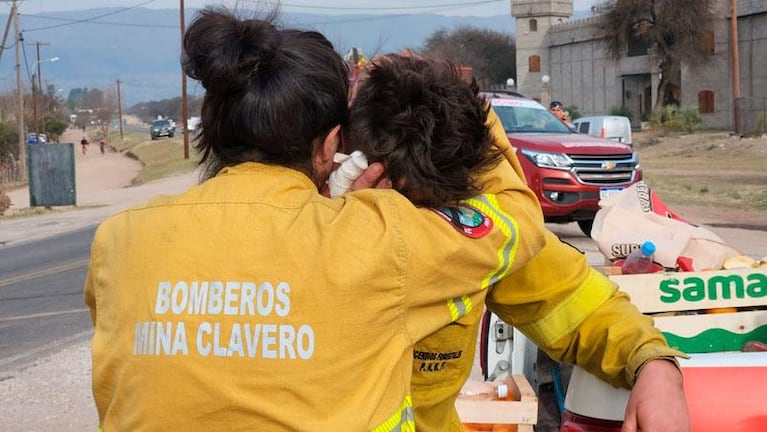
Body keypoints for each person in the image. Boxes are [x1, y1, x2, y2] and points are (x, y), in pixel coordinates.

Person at [83, 7, 547, 431]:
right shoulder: (377, 239)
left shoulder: (118, 240)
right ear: (330, 146)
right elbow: (518, 222)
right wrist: (468, 113)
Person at [346, 54, 689, 432]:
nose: (430, 227)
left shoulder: (475, 235)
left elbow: (577, 304)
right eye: (409, 204)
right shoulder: (304, 235)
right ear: (355, 167)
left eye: (441, 209)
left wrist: (654, 366)